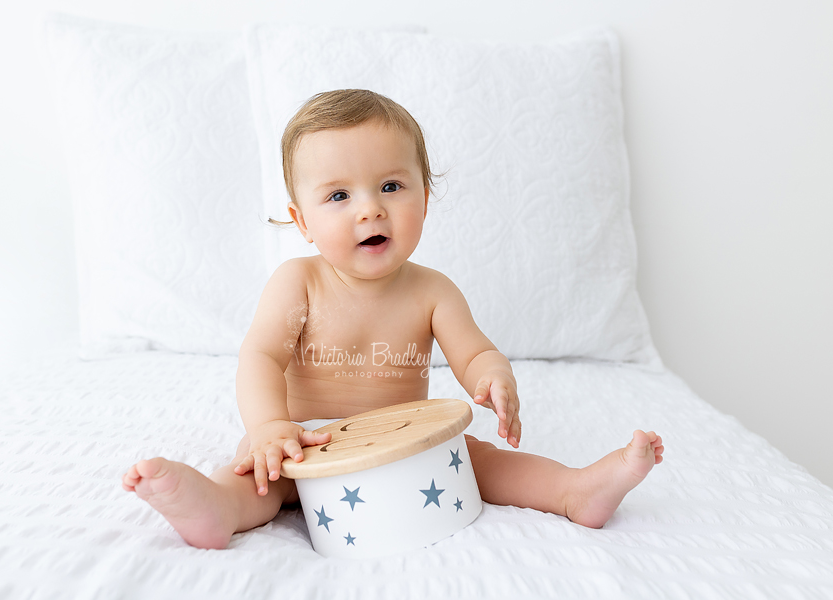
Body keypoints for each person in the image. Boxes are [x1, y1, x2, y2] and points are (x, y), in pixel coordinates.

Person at [122, 89, 664, 550]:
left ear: (424, 199)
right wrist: (268, 428)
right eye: (338, 195)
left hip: (405, 442)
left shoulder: (432, 291)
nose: (370, 209)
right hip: (309, 443)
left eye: (391, 186)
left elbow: (474, 352)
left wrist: (492, 376)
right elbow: (261, 356)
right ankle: (216, 509)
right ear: (302, 221)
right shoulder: (298, 282)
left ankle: (575, 490)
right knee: (260, 474)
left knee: (481, 460)